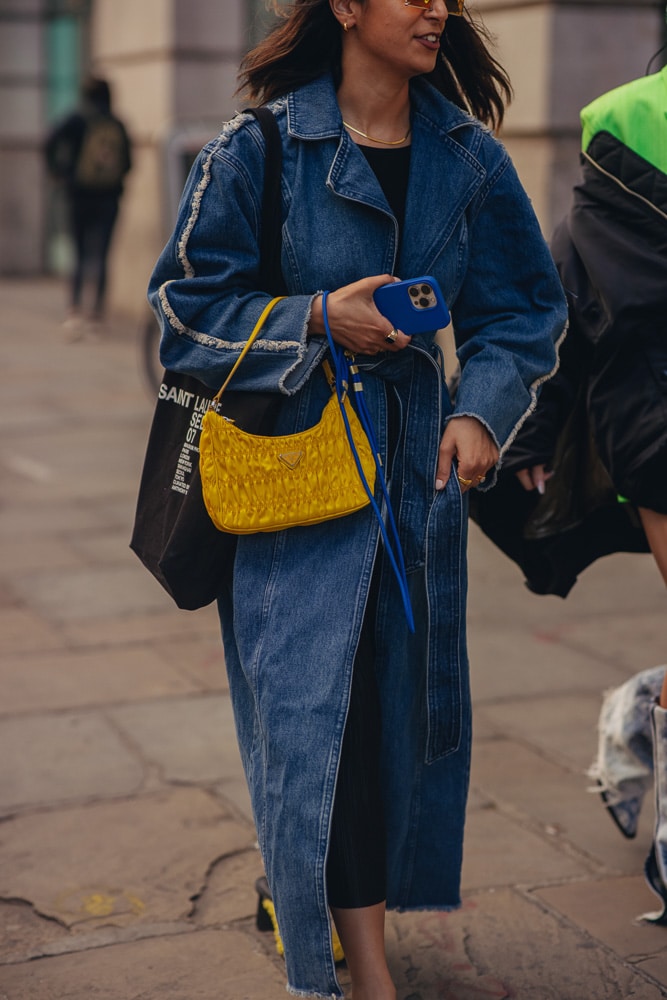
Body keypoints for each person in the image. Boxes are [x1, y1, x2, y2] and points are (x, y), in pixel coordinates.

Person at [147, 0, 567, 995]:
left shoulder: (465, 156)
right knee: (311, 731)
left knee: (384, 727)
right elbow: (181, 317)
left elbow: (523, 307)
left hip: (415, 490)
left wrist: (478, 415)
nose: (438, 8)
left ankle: (332, 922)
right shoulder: (258, 147)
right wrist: (314, 319)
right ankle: (350, 972)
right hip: (294, 493)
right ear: (344, 7)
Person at [45, 76, 132, 334]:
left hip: (78, 196)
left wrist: (60, 172)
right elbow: (128, 162)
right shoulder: (117, 123)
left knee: (80, 253)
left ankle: (74, 309)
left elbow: (50, 142)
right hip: (109, 197)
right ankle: (97, 312)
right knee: (102, 254)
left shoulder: (77, 119)